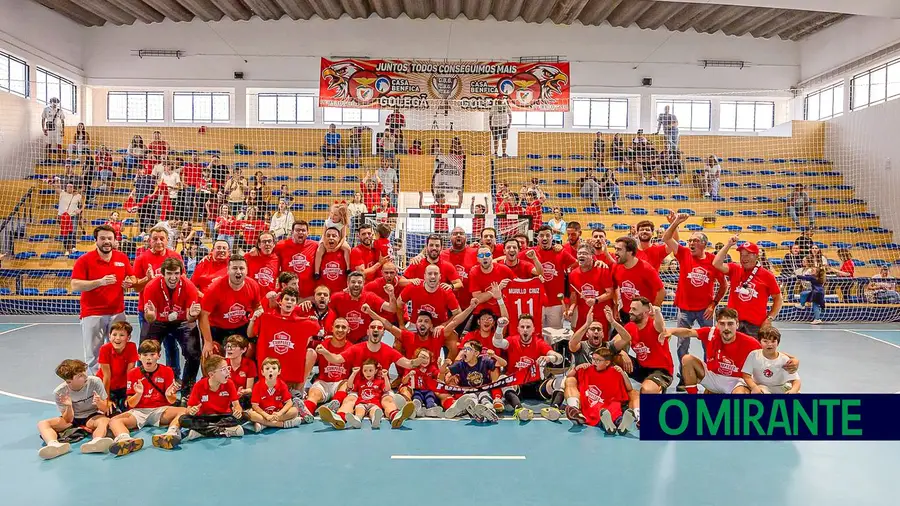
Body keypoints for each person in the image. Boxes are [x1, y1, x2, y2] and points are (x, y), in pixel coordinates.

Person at [315, 320, 424, 429]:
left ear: (383, 333)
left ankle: (396, 416)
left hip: (381, 389)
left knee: (388, 400)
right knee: (349, 400)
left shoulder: (389, 351)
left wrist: (418, 361)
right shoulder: (356, 348)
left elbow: (408, 364)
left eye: (379, 328)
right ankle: (338, 418)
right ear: (368, 331)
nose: (376, 329)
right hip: (358, 389)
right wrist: (325, 352)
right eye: (373, 327)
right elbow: (336, 359)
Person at [664, 308, 798, 394]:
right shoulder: (710, 333)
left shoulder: (748, 342)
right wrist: (670, 331)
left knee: (740, 396)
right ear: (717, 324)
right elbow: (688, 332)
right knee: (687, 359)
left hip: (735, 381)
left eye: (730, 324)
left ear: (737, 325)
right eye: (722, 324)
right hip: (713, 377)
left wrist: (794, 359)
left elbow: (769, 351)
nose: (726, 328)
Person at [663, 213, 727, 367]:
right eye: (690, 240)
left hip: (705, 309)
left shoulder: (713, 260)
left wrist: (714, 304)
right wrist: (676, 222)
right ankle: (684, 375)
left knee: (708, 342)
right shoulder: (684, 253)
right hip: (684, 308)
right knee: (682, 343)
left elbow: (724, 285)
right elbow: (666, 238)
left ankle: (709, 373)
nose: (691, 243)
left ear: (704, 244)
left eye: (695, 241)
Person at [71, 225, 135, 374]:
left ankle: (117, 383)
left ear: (114, 240)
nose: (106, 241)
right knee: (93, 353)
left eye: (109, 238)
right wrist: (100, 282)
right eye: (103, 238)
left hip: (117, 312)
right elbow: (75, 285)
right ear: (96, 240)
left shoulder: (122, 257)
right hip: (92, 313)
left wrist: (129, 282)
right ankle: (96, 384)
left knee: (120, 350)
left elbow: (131, 277)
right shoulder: (85, 260)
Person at [107, 339, 185, 457]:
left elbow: (172, 401)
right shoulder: (133, 373)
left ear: (158, 356)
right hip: (138, 412)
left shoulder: (167, 371)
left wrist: (169, 395)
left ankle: (171, 433)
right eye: (145, 355)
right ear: (139, 357)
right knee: (113, 420)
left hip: (160, 410)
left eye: (152, 354)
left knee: (184, 411)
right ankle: (125, 439)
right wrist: (138, 394)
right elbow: (131, 404)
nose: (149, 358)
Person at [154, 355, 245, 449]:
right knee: (183, 419)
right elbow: (189, 409)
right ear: (211, 374)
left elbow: (237, 406)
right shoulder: (199, 385)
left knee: (243, 416)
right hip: (204, 418)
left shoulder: (229, 383)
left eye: (228, 368)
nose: (228, 372)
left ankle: (199, 433)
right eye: (223, 369)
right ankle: (222, 431)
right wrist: (192, 411)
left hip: (223, 417)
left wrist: (237, 411)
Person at [492, 316, 565, 421]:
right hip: (517, 385)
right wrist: (499, 327)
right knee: (503, 378)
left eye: (528, 327)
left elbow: (560, 358)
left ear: (533, 329)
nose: (525, 329)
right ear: (518, 329)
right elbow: (497, 342)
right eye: (522, 327)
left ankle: (554, 409)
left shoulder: (539, 343)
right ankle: (519, 409)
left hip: (537, 386)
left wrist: (549, 358)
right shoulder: (512, 340)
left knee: (561, 381)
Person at [37, 359, 113, 460]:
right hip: (72, 418)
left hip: (92, 416)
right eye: (80, 376)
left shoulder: (95, 381)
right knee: (42, 424)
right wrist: (69, 406)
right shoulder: (59, 392)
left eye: (84, 372)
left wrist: (99, 403)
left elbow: (105, 409)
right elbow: (68, 420)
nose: (85, 376)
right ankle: (54, 445)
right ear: (69, 381)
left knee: (104, 420)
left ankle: (96, 442)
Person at [713, 237, 783, 337]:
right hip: (733, 322)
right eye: (742, 254)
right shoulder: (735, 268)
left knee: (753, 352)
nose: (744, 258)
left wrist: (769, 318)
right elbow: (716, 263)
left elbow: (778, 298)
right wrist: (728, 245)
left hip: (755, 325)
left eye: (748, 254)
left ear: (756, 256)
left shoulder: (767, 275)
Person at [198, 254, 262, 358]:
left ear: (247, 270)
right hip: (217, 327)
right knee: (211, 355)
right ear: (228, 270)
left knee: (251, 350)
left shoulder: (253, 285)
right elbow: (203, 315)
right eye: (234, 268)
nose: (238, 271)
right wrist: (208, 342)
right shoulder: (215, 288)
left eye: (241, 268)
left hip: (240, 326)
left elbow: (257, 307)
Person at [615, 299, 674, 399]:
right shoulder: (630, 326)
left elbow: (661, 328)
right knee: (611, 356)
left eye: (634, 309)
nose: (630, 311)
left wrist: (657, 312)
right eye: (630, 308)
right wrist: (622, 353)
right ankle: (616, 391)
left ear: (645, 313)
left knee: (647, 391)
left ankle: (658, 387)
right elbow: (612, 345)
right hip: (642, 368)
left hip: (661, 370)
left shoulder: (654, 325)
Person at [566, 347, 634, 434]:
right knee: (600, 412)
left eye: (598, 360)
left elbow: (629, 388)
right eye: (593, 359)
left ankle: (621, 424)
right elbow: (569, 376)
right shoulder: (586, 369)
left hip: (610, 402)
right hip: (593, 404)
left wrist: (622, 374)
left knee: (615, 410)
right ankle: (608, 425)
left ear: (607, 362)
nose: (594, 362)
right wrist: (576, 368)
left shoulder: (615, 372)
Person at [302, 317, 352, 416]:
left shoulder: (352, 348)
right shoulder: (321, 345)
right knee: (313, 394)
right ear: (332, 328)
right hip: (323, 382)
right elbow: (307, 360)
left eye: (343, 327)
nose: (340, 330)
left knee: (346, 384)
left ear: (348, 330)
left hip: (340, 383)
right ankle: (306, 413)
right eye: (337, 327)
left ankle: (335, 405)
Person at [531, 226, 577, 330]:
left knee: (555, 336)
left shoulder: (561, 252)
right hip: (537, 303)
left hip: (556, 303)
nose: (545, 238)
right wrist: (494, 260)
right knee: (537, 333)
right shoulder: (531, 253)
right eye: (541, 235)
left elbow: (577, 263)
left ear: (552, 237)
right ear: (537, 238)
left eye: (548, 235)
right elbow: (513, 258)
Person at [331, 271, 397, 344]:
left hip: (363, 339)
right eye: (353, 282)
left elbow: (392, 309)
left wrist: (391, 295)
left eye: (359, 282)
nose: (356, 284)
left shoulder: (370, 297)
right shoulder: (336, 298)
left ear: (363, 284)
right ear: (348, 283)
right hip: (342, 338)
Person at [612, 236, 665, 321]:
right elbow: (614, 288)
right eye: (615, 249)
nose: (615, 253)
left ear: (630, 252)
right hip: (626, 312)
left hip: (643, 316)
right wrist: (616, 307)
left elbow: (661, 291)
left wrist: (653, 310)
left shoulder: (646, 269)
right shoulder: (616, 267)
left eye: (619, 249)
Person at [566, 243, 614, 335]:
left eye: (584, 253)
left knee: (600, 344)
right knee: (581, 343)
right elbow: (574, 295)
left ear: (592, 256)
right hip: (583, 316)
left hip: (601, 316)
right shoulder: (573, 274)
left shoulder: (602, 270)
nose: (581, 255)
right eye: (579, 253)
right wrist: (571, 309)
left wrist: (596, 300)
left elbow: (610, 293)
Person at [246, 358, 302, 432]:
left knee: (294, 411)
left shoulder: (282, 385)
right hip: (264, 415)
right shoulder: (257, 386)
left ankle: (264, 424)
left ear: (279, 371)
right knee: (251, 414)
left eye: (274, 368)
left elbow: (289, 402)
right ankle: (282, 424)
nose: (270, 370)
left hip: (278, 414)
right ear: (262, 372)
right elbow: (255, 405)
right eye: (267, 368)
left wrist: (279, 413)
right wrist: (266, 416)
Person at [740, 327, 801, 394]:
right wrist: (754, 387)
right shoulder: (754, 355)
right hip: (762, 386)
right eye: (765, 341)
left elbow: (796, 380)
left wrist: (793, 390)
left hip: (781, 387)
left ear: (778, 343)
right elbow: (746, 375)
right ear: (760, 342)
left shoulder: (784, 359)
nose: (769, 344)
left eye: (773, 341)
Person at [97, 321, 138, 414]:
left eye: (122, 335)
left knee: (128, 408)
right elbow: (106, 377)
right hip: (107, 386)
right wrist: (106, 400)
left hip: (123, 386)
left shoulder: (132, 347)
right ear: (109, 336)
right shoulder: (104, 349)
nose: (117, 338)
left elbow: (130, 374)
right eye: (114, 334)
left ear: (128, 337)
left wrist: (129, 395)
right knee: (110, 411)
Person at [274, 221, 318, 300]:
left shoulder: (315, 246)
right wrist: (256, 249)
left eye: (303, 230)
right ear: (292, 232)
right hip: (288, 294)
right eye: (297, 230)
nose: (300, 232)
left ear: (308, 233)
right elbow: (268, 255)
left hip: (308, 294)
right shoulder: (281, 245)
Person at [224, 334, 256, 408]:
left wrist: (243, 392)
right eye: (228, 346)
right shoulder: (223, 363)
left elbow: (249, 389)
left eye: (233, 346)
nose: (229, 349)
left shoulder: (250, 364)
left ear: (243, 350)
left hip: (242, 399)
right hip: (225, 397)